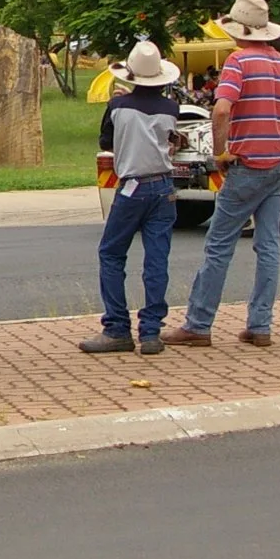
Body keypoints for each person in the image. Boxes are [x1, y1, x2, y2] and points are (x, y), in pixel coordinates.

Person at [166, 0, 280, 348]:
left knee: (219, 244)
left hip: (246, 164)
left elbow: (222, 110)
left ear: (238, 30)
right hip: (278, 162)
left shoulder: (238, 62)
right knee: (268, 244)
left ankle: (198, 323)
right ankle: (260, 325)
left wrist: (221, 152)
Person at [80, 40, 183, 354]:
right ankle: (151, 332)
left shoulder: (118, 106)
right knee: (156, 259)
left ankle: (117, 328)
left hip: (133, 185)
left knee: (111, 254)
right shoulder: (171, 107)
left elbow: (106, 141)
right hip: (164, 186)